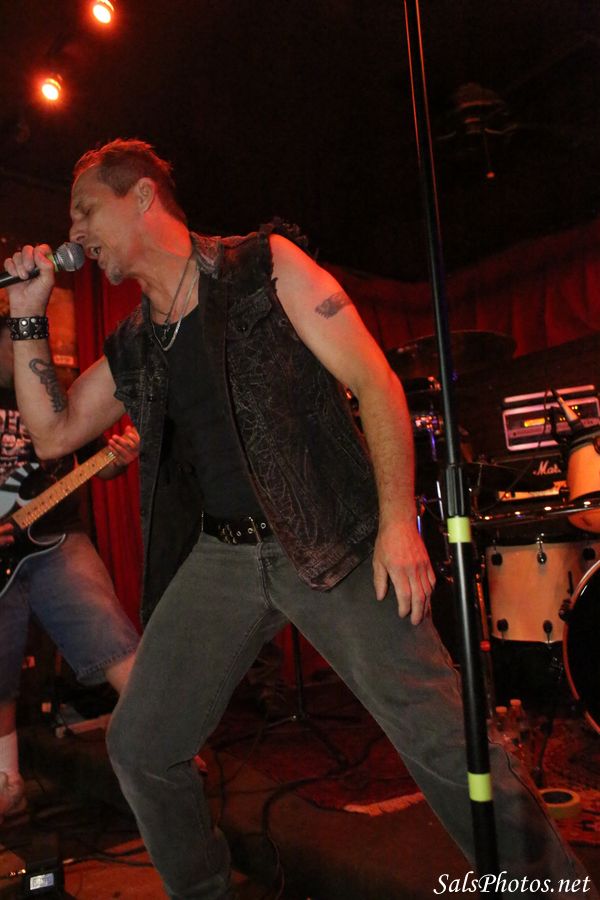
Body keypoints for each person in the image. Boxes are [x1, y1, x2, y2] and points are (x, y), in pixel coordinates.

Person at [2, 139, 596, 899]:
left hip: (332, 540)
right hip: (223, 556)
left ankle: (549, 890)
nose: (75, 231)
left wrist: (396, 523)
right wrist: (27, 317)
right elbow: (53, 434)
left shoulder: (264, 266)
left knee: (444, 742)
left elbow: (375, 382)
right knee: (141, 744)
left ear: (142, 196)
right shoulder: (136, 341)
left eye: (85, 209)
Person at [0, 303, 140, 822]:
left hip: (57, 536)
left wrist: (117, 461)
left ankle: (164, 746)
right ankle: (8, 783)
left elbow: (94, 465)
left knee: (112, 636)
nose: (20, 351)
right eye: (11, 341)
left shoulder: (54, 395)